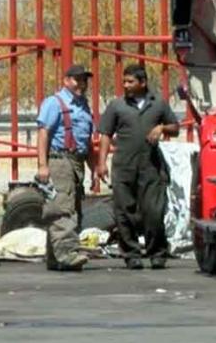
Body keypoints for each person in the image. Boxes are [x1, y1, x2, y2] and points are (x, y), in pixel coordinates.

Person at [97, 64, 179, 270]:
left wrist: (161, 128)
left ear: (143, 83)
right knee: (124, 211)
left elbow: (176, 128)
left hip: (151, 166)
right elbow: (105, 134)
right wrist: (101, 163)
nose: (126, 85)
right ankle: (131, 253)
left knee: (154, 210)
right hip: (124, 166)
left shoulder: (158, 103)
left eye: (130, 81)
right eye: (124, 81)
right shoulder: (117, 106)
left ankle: (157, 253)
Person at [36, 65, 94, 271]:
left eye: (84, 80)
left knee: (73, 206)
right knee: (62, 207)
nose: (81, 84)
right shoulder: (54, 103)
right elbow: (43, 133)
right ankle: (67, 253)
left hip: (76, 162)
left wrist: (94, 169)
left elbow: (87, 142)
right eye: (77, 80)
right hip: (59, 159)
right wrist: (43, 166)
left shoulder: (83, 106)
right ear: (66, 80)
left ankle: (55, 257)